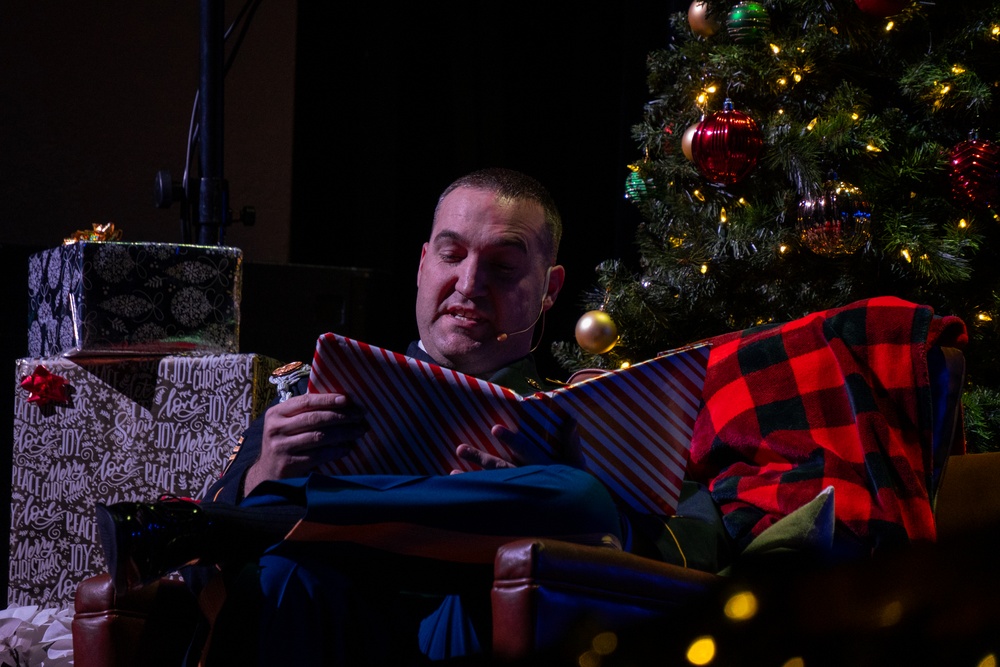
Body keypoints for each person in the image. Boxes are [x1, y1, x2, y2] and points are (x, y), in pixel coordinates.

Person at [95, 167, 730, 666]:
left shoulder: (578, 407)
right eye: (452, 255)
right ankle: (261, 519)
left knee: (578, 493)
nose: (470, 282)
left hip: (476, 624)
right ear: (424, 263)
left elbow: (695, 538)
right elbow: (213, 574)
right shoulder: (308, 394)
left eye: (503, 267)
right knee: (284, 566)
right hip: (338, 623)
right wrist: (263, 471)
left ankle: (236, 523)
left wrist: (527, 489)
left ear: (550, 289)